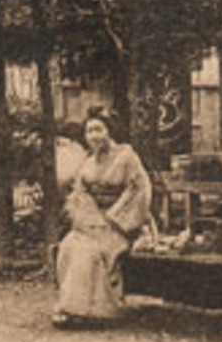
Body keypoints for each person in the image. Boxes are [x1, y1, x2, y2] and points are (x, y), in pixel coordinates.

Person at [52, 109, 158, 328]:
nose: (93, 136)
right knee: (70, 244)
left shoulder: (127, 157)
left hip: (123, 224)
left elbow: (139, 190)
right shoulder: (88, 162)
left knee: (92, 251)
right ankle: (73, 307)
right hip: (94, 223)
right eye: (89, 131)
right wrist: (89, 219)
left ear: (110, 131)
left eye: (99, 129)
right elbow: (80, 195)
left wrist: (113, 219)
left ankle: (99, 310)